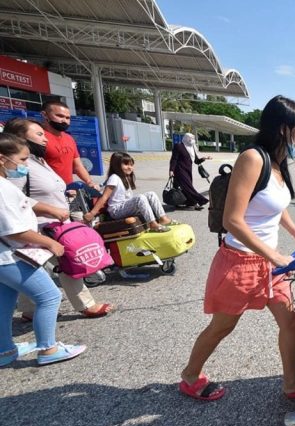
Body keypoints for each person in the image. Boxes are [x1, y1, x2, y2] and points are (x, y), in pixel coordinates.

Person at [179, 95, 295, 401]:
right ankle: (190, 376)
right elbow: (233, 220)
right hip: (240, 262)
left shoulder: (277, 164)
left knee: (291, 319)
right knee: (222, 326)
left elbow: (276, 206)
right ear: (284, 128)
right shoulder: (252, 159)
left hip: (270, 264)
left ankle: (290, 384)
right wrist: (274, 255)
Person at [4, 118, 113, 320]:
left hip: (53, 223)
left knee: (33, 267)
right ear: (20, 138)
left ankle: (29, 309)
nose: (45, 139)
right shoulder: (19, 165)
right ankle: (83, 306)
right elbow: (14, 197)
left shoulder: (37, 161)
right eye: (39, 134)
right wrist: (51, 209)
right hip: (39, 226)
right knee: (67, 261)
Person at [0, 133, 86, 366]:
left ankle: (4, 350)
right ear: (2, 159)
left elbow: (27, 204)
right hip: (10, 256)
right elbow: (11, 230)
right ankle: (48, 349)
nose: (25, 165)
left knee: (5, 303)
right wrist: (49, 243)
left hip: (4, 259)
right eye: (22, 159)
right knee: (49, 296)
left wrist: (52, 210)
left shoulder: (5, 185)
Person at [84, 152, 174, 232]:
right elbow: (104, 197)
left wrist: (98, 186)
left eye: (131, 165)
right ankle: (152, 224)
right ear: (116, 165)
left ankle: (163, 218)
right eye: (126, 164)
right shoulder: (114, 177)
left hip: (124, 207)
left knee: (151, 194)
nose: (130, 167)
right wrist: (92, 214)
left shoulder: (126, 177)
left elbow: (103, 185)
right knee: (140, 198)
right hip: (116, 210)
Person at [40, 101, 99, 189]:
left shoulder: (69, 138)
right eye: (59, 116)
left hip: (68, 190)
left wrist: (89, 182)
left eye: (68, 118)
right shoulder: (39, 137)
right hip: (48, 191)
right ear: (45, 115)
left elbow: (78, 166)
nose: (64, 121)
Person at [170, 133, 212, 210]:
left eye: (193, 139)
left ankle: (187, 202)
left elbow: (196, 161)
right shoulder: (178, 146)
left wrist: (204, 158)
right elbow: (174, 159)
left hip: (188, 170)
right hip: (179, 170)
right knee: (188, 187)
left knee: (182, 188)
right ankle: (200, 200)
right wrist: (171, 170)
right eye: (191, 139)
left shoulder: (191, 148)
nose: (192, 140)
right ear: (186, 138)